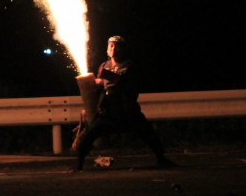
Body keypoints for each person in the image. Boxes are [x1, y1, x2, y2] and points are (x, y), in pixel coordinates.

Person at [73, 35, 173, 170]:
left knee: (148, 133)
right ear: (107, 49)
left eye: (118, 46)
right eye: (111, 46)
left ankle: (161, 159)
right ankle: (79, 164)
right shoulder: (104, 65)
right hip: (108, 113)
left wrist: (103, 78)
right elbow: (101, 88)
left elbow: (120, 81)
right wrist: (90, 106)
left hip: (127, 112)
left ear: (124, 49)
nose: (114, 49)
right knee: (89, 135)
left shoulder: (129, 66)